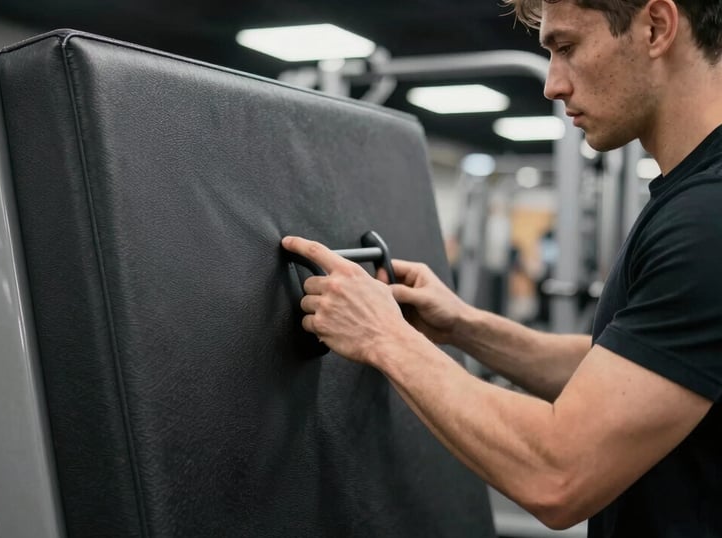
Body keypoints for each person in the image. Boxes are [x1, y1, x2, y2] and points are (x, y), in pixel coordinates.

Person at [281, 0, 722, 535]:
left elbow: (558, 474)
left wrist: (384, 337)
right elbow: (631, 370)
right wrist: (464, 327)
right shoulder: (689, 200)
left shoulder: (706, 219)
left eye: (567, 48)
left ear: (656, 27)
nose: (552, 85)